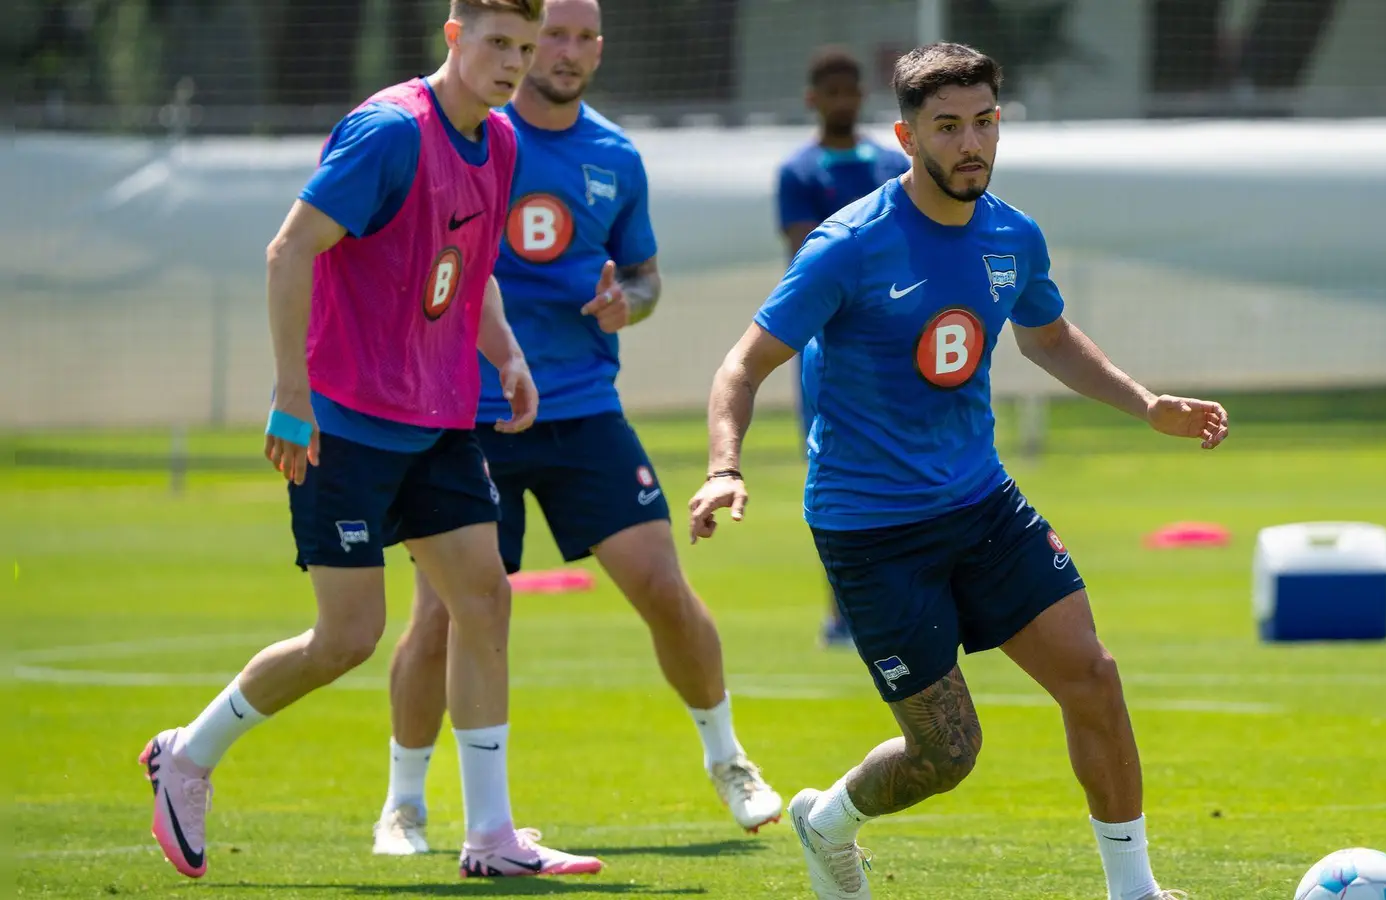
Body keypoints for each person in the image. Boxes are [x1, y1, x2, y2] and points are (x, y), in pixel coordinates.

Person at [690, 42, 1224, 900]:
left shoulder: (1012, 235)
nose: (970, 144)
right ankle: (829, 821)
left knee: (1094, 677)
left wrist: (1146, 404)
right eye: (947, 127)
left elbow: (1045, 335)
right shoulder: (848, 246)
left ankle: (1136, 892)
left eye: (983, 123)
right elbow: (742, 367)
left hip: (983, 506)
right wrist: (725, 467)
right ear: (906, 136)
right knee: (949, 753)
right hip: (873, 533)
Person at [139, 0, 603, 881]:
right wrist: (290, 395)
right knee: (347, 637)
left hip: (437, 419)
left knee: (485, 598)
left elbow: (472, 268)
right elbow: (290, 251)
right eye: (497, 43)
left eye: (526, 46)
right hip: (345, 423)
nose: (514, 62)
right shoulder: (390, 133)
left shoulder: (500, 142)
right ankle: (187, 755)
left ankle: (492, 838)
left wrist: (505, 354)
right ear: (455, 38)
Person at [370, 0, 783, 858]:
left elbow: (645, 278)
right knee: (442, 617)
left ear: (600, 48)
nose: (564, 52)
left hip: (585, 410)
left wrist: (622, 304)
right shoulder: (468, 138)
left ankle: (729, 759)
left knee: (663, 589)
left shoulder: (615, 155)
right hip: (466, 417)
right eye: (548, 34)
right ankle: (404, 805)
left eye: (583, 36)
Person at [775, 45, 910, 650]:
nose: (841, 102)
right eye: (830, 92)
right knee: (835, 469)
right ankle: (842, 610)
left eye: (849, 91)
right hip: (830, 345)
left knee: (907, 460)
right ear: (813, 99)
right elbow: (806, 259)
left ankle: (909, 597)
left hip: (898, 340)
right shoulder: (800, 172)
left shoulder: (890, 163)